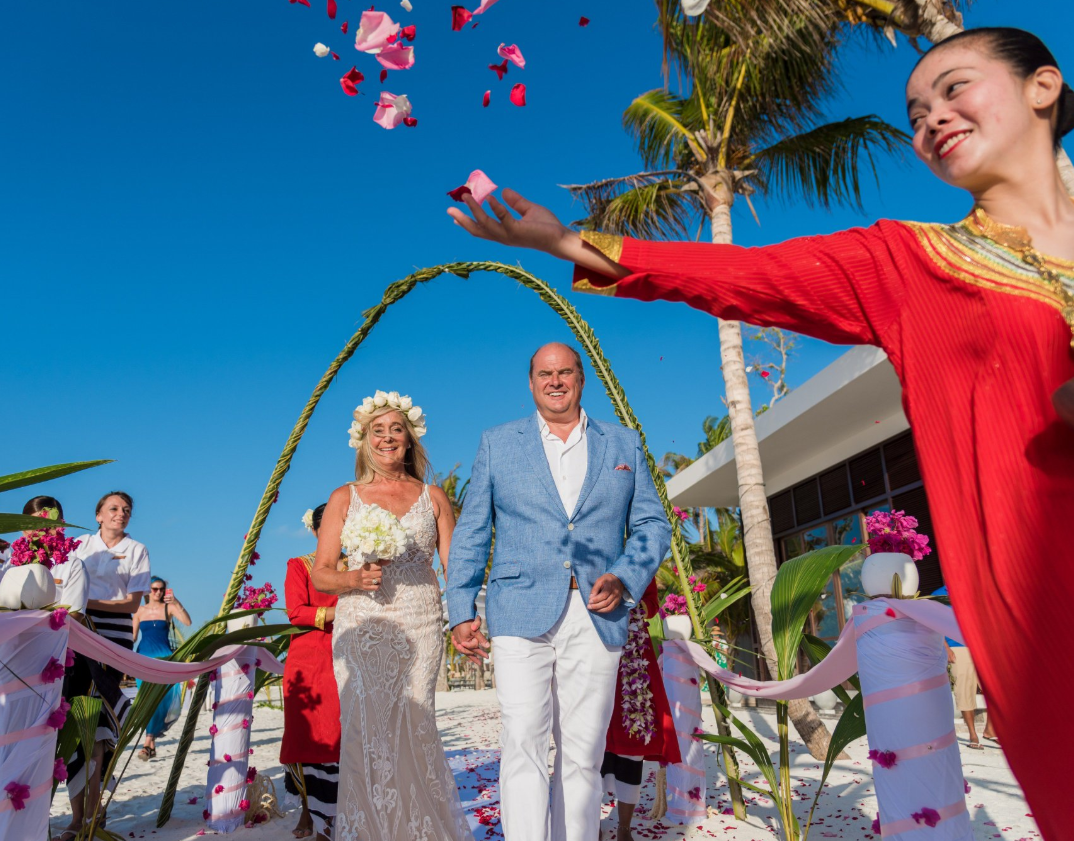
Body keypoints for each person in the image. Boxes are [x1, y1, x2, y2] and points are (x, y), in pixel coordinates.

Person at [448, 29, 1074, 839]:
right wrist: (569, 242)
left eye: (954, 89)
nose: (932, 120)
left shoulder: (616, 447)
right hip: (1047, 599)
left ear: (1042, 87)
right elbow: (744, 277)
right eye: (916, 113)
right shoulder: (910, 264)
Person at [445, 344, 671, 841]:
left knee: (583, 752)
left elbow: (653, 525)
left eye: (565, 372)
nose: (555, 381)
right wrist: (460, 608)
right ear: (531, 383)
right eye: (545, 374)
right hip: (517, 611)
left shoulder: (624, 443)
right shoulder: (497, 443)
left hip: (598, 613)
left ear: (580, 379)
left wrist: (625, 575)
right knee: (522, 743)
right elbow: (472, 531)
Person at [311, 390, 471, 841]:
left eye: (395, 429)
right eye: (377, 430)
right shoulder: (344, 497)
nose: (386, 438)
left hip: (421, 620)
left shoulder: (433, 497)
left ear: (409, 438)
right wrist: (352, 578)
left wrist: (464, 620)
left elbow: (455, 568)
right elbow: (322, 574)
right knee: (365, 728)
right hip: (363, 622)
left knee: (416, 721)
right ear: (364, 440)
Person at [60, 491, 150, 839]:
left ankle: (93, 813)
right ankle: (77, 816)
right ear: (98, 514)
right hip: (77, 636)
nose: (120, 513)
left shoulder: (137, 549)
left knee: (100, 724)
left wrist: (81, 602)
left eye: (126, 509)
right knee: (75, 720)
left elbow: (131, 605)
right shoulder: (80, 545)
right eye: (113, 508)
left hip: (113, 642)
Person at [601, 580, 682, 841]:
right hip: (593, 646)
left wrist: (625, 604)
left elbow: (652, 604)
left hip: (633, 656)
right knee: (591, 741)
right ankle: (591, 823)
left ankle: (624, 828)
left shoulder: (639, 560)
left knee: (632, 739)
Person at [280, 504, 340, 841]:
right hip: (310, 661)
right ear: (316, 531)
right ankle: (309, 809)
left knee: (342, 735)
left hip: (349, 655)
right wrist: (342, 611)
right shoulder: (300, 565)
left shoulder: (360, 565)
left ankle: (333, 814)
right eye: (328, 525)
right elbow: (297, 612)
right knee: (309, 737)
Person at [132, 576, 191, 760]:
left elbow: (187, 622)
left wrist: (176, 601)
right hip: (143, 659)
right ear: (148, 591)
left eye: (161, 589)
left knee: (161, 700)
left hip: (165, 659)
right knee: (146, 700)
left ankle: (147, 742)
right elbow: (132, 637)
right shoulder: (139, 611)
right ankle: (150, 744)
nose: (158, 592)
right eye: (154, 589)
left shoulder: (169, 608)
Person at [933, 584, 997, 750]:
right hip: (958, 647)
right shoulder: (938, 595)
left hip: (981, 647)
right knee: (964, 691)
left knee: (995, 690)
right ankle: (972, 734)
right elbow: (934, 624)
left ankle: (990, 730)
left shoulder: (973, 590)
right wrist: (946, 647)